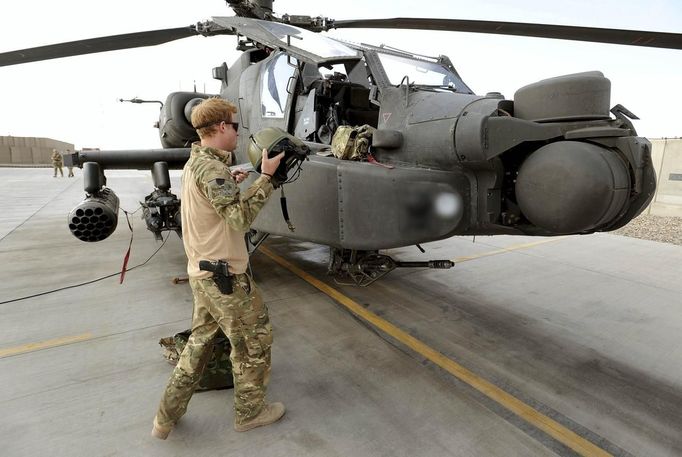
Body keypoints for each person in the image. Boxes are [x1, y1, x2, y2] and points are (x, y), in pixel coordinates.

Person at [152, 97, 286, 439]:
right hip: (224, 279)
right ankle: (250, 413)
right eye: (236, 126)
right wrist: (266, 179)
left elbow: (214, 205)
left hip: (203, 273)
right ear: (222, 127)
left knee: (199, 347)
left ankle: (165, 418)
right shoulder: (212, 170)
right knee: (254, 343)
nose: (238, 133)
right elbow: (239, 219)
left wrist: (231, 176)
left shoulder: (198, 163)